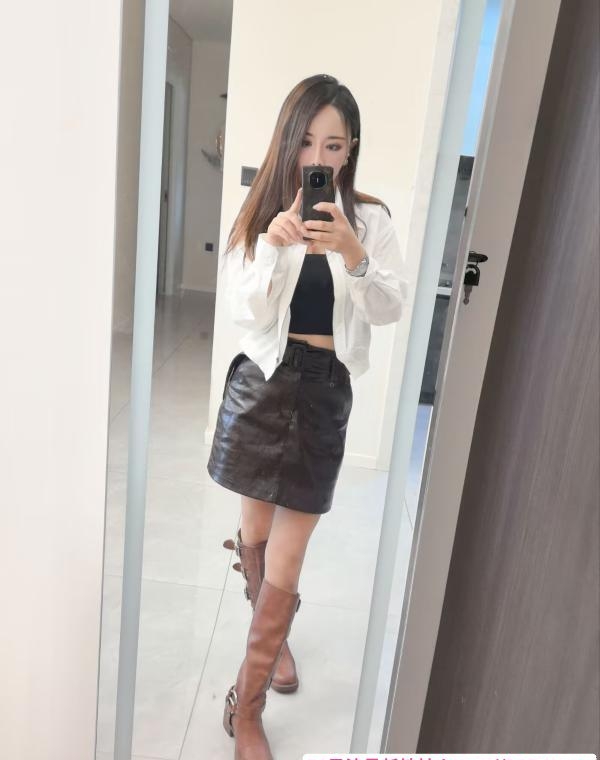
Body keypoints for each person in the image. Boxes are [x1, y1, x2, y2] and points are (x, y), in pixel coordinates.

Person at [207, 73, 409, 759]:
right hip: (263, 387)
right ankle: (276, 639)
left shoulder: (371, 222)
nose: (319, 158)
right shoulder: (263, 214)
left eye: (335, 145)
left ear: (350, 151)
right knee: (256, 536)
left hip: (324, 392)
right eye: (307, 142)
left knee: (289, 556)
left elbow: (389, 307)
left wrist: (353, 254)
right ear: (288, 142)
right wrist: (273, 243)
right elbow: (246, 312)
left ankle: (247, 706)